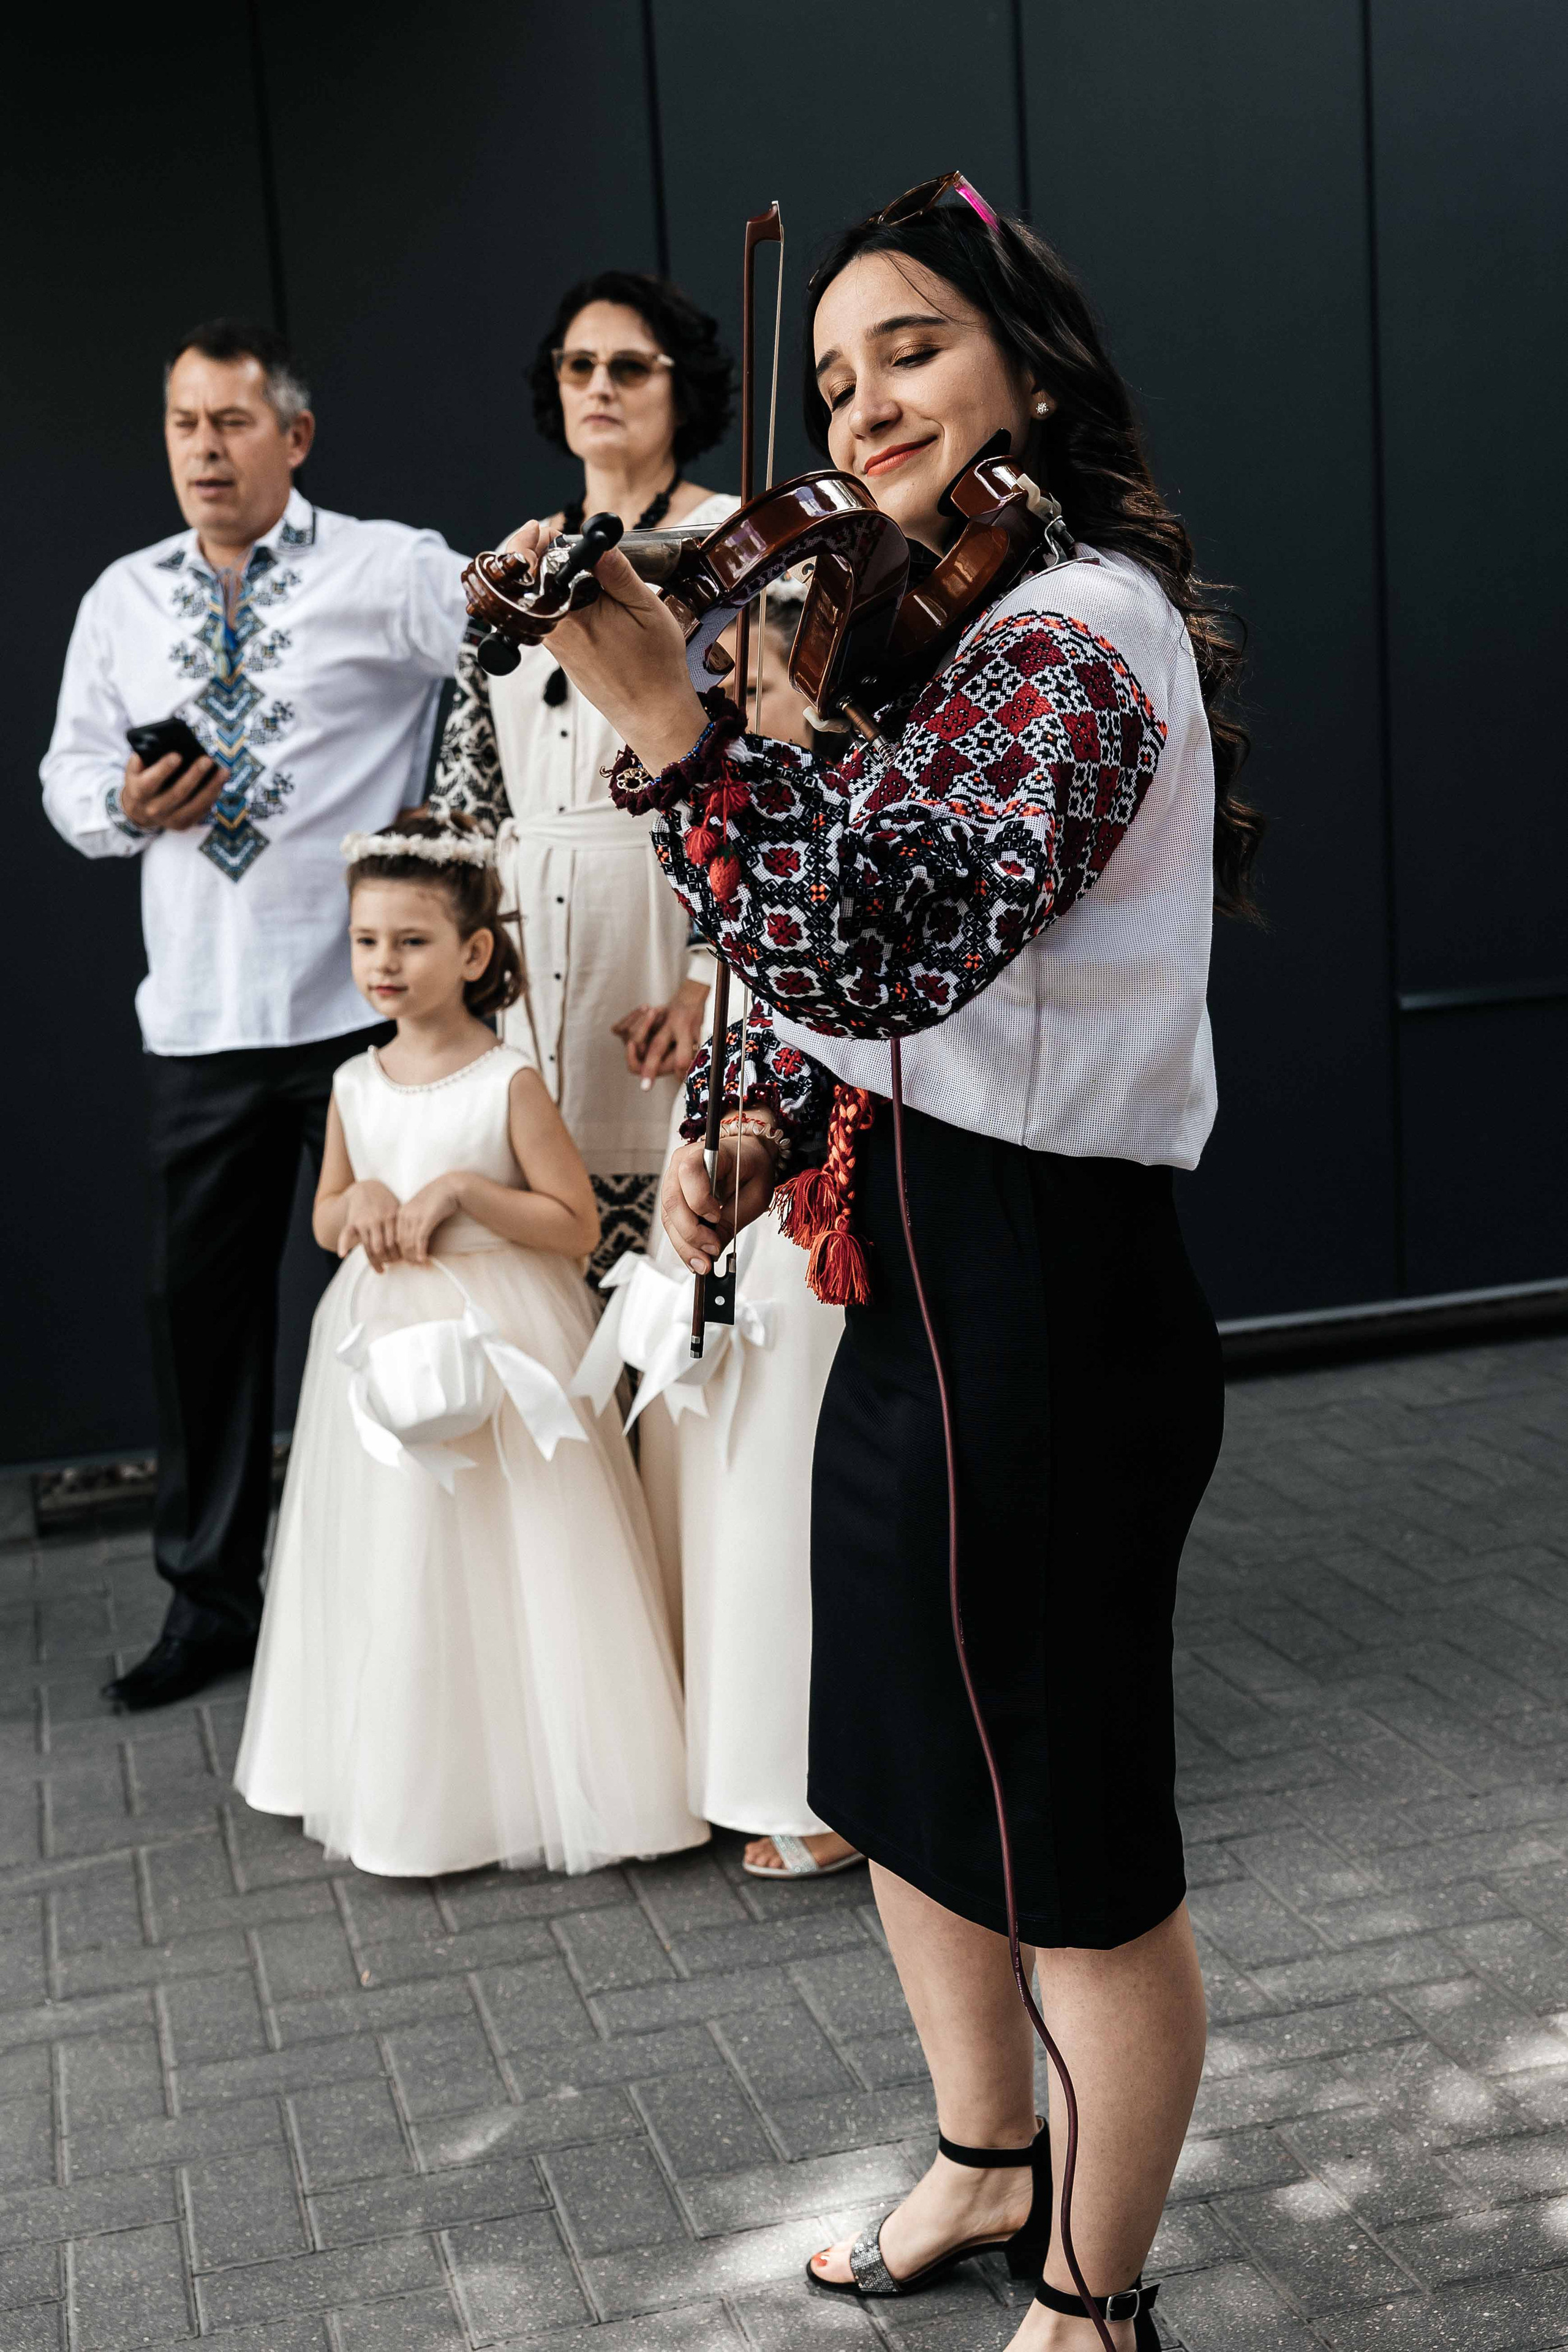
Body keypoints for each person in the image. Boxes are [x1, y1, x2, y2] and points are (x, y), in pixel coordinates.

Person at [519, 173, 1261, 2350]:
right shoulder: (953, 638)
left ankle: (1093, 2300)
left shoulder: (1083, 635)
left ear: (1028, 356)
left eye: (911, 346)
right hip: (925, 1279)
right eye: (833, 375)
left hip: (1051, 1302)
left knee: (1078, 1852)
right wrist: (763, 1127)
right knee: (910, 1781)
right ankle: (978, 2159)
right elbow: (890, 998)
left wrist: (677, 732)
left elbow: (890, 930)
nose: (864, 401)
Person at [42, 321, 470, 1712]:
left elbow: (514, 648)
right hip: (204, 1021)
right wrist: (124, 806)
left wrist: (457, 810)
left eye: (231, 423)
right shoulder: (122, 598)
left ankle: (432, 1597)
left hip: (372, 1012)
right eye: (183, 424)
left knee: (414, 1304)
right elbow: (64, 776)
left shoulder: (385, 569)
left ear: (294, 437)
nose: (204, 451)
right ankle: (213, 1603)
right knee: (202, 1325)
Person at [233, 810, 706, 1877]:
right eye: (366, 942)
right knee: (400, 1556)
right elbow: (325, 1217)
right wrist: (362, 1213)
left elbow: (575, 1225)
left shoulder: (509, 1082)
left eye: (411, 942)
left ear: (475, 952)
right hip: (379, 1343)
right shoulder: (354, 1082)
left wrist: (461, 1193)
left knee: (517, 1556)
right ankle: (414, 1780)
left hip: (501, 1337)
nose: (384, 964)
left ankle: (545, 1771)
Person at [612, 590, 861, 1879]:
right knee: (721, 1467)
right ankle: (748, 1750)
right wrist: (715, 1130)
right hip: (755, 1162)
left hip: (840, 1198)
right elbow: (747, 1018)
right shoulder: (747, 836)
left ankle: (812, 1779)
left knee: (787, 1483)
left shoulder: (850, 835)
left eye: (750, 691)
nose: (721, 718)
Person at [430, 271, 736, 1280]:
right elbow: (468, 798)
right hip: (529, 938)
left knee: (676, 1246)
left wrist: (706, 982)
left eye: (629, 366)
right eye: (579, 366)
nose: (599, 384)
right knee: (555, 1252)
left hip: (669, 910)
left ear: (680, 389)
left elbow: (771, 775)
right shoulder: (517, 560)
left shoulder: (733, 543)